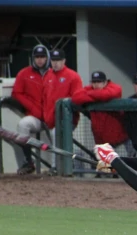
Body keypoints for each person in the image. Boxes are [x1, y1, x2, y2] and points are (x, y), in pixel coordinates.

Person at [71, 70, 130, 158]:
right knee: (104, 170)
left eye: (99, 82)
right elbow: (76, 97)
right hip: (102, 145)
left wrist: (89, 96)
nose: (96, 85)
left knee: (123, 168)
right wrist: (97, 96)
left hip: (119, 143)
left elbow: (108, 94)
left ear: (105, 82)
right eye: (94, 82)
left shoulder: (114, 87)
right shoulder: (90, 88)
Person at [11, 45, 49, 175]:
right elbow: (16, 93)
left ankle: (58, 167)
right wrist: (33, 108)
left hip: (53, 117)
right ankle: (28, 162)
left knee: (57, 133)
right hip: (36, 117)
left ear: (47, 58)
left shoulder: (53, 74)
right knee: (23, 124)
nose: (39, 60)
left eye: (42, 57)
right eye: (37, 57)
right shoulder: (24, 73)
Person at [42, 49, 82, 141]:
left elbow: (77, 99)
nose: (55, 63)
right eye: (53, 60)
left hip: (66, 120)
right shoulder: (47, 75)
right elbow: (44, 98)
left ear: (64, 61)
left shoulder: (73, 76)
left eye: (58, 60)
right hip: (50, 120)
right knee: (54, 148)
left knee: (59, 146)